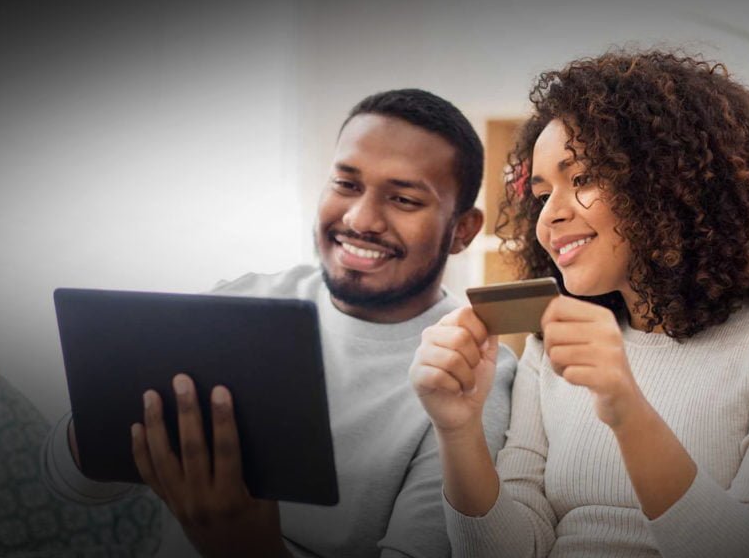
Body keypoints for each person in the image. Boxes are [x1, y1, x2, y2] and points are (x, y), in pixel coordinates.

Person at [409, 51, 749, 558]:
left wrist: (627, 409)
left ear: (670, 180)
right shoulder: (554, 344)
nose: (550, 218)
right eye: (542, 194)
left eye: (582, 179)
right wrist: (458, 432)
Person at [41, 89, 517, 558]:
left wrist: (244, 548)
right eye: (346, 184)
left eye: (404, 199)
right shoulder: (242, 301)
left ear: (463, 231)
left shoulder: (473, 370)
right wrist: (110, 414)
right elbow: (76, 482)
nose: (360, 218)